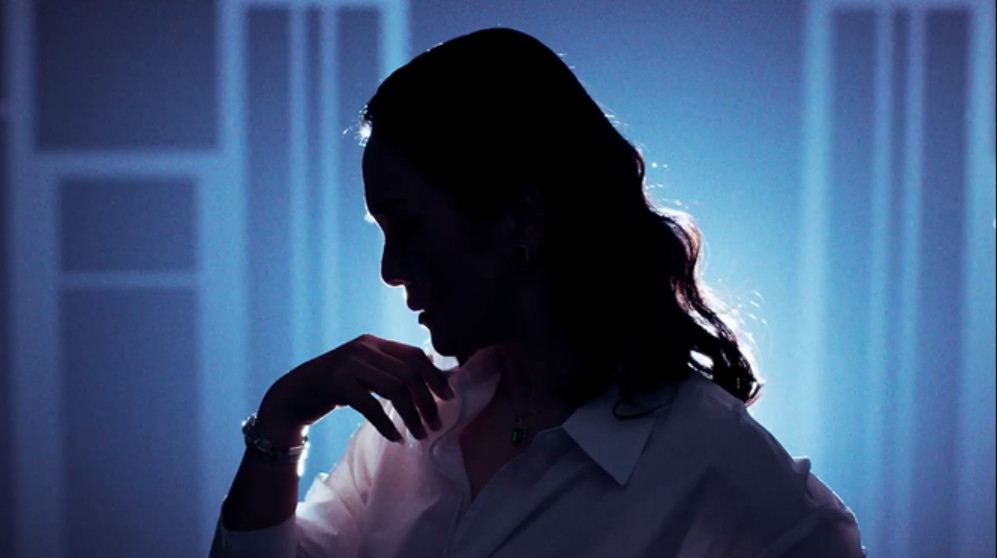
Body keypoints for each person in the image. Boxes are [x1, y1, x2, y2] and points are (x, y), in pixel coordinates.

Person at [210, 27, 865, 558]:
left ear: (521, 220)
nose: (390, 269)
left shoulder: (727, 478)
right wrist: (281, 420)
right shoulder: (408, 433)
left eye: (408, 227)